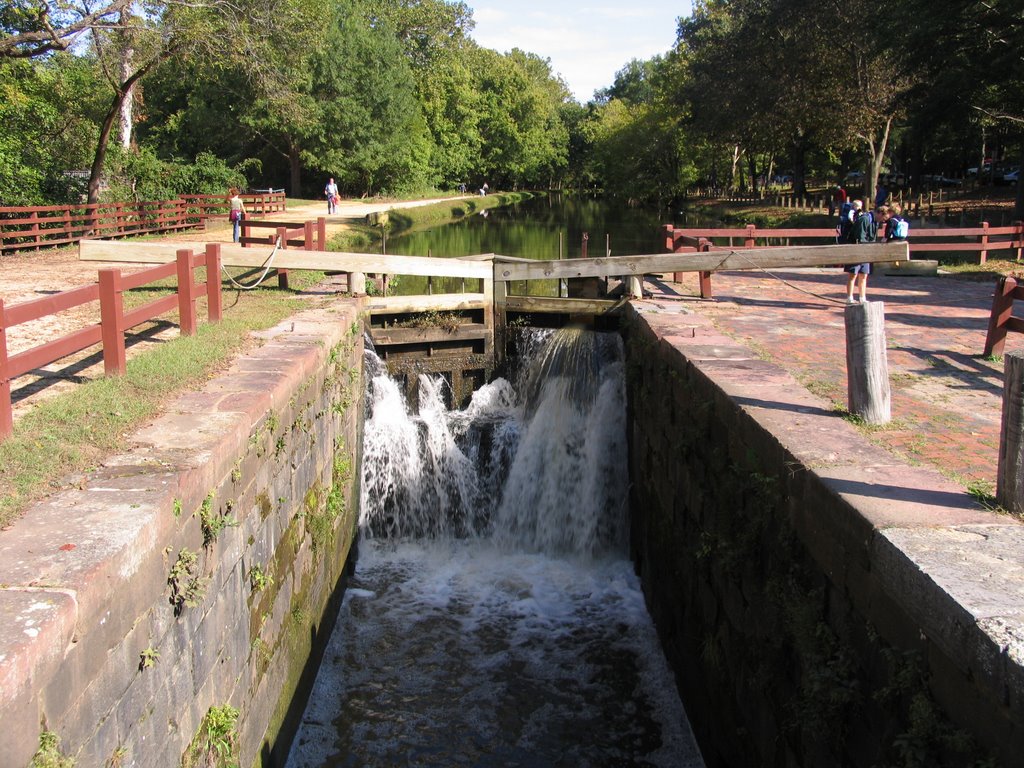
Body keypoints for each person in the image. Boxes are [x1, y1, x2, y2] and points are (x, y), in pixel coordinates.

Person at [844, 200, 877, 303]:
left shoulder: (872, 220)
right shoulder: (860, 217)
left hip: (865, 250)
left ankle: (862, 298)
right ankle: (849, 297)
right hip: (856, 248)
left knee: (863, 275)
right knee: (853, 274)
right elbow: (859, 235)